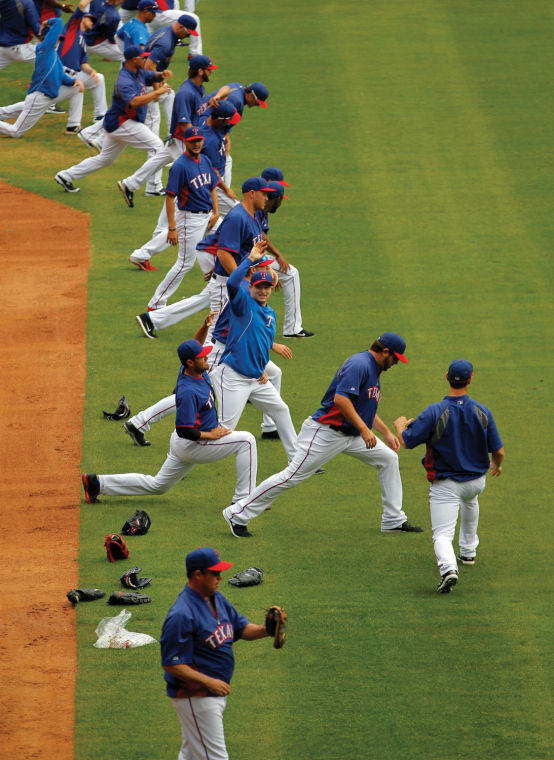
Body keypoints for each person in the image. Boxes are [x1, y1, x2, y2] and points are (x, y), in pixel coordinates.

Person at [222, 332, 424, 538]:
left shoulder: (373, 367)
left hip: (350, 435)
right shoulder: (360, 365)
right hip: (325, 433)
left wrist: (387, 433)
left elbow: (365, 408)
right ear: (385, 352)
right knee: (291, 476)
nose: (395, 363)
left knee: (388, 459)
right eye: (395, 359)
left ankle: (393, 519)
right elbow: (341, 400)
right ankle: (237, 513)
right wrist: (364, 430)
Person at [81, 335, 258, 505]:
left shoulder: (197, 371)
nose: (206, 357)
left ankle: (97, 483)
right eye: (202, 356)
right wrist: (211, 435)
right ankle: (244, 501)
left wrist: (205, 326)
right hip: (194, 443)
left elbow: (194, 343)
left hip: (182, 444)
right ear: (190, 362)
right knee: (247, 441)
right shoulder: (188, 391)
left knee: (158, 485)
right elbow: (184, 430)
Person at [393, 359, 504, 594]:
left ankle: (448, 569)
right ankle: (468, 552)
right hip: (476, 482)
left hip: (446, 485)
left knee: (442, 534)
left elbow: (407, 441)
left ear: (446, 377)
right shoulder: (482, 410)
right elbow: (499, 451)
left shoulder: (435, 411)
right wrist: (496, 464)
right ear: (470, 379)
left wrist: (401, 425)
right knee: (470, 501)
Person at [160, 547, 271, 760]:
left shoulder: (216, 598)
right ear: (197, 575)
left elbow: (241, 628)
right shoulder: (181, 614)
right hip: (196, 696)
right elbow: (171, 663)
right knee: (216, 757)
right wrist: (209, 682)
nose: (221, 577)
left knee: (191, 755)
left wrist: (266, 630)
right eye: (214, 573)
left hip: (210, 693)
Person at [210, 242, 298, 463]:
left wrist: (261, 368)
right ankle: (186, 452)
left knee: (281, 409)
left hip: (255, 377)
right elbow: (232, 281)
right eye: (259, 286)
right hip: (233, 376)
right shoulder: (243, 303)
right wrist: (249, 259)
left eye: (267, 287)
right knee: (224, 431)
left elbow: (259, 343)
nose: (263, 290)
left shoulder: (270, 314)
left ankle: (297, 461)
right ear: (250, 287)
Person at [127, 97, 235, 271]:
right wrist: (226, 190)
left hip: (199, 193)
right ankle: (141, 254)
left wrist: (212, 102)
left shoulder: (207, 120)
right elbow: (211, 173)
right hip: (195, 191)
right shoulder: (209, 141)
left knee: (216, 227)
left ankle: (142, 254)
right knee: (179, 230)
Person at [53, 44, 172, 194]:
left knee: (105, 159)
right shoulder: (124, 80)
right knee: (157, 146)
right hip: (122, 123)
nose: (146, 59)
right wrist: (157, 93)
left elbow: (151, 76)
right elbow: (135, 102)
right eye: (143, 58)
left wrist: (162, 75)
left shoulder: (138, 72)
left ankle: (65, 175)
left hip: (119, 122)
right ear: (134, 60)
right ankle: (136, 185)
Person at [131, 126, 219, 312]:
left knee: (228, 232)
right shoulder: (180, 166)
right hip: (190, 217)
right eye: (192, 141)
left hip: (208, 215)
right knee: (185, 263)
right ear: (186, 142)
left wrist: (217, 212)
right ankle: (156, 303)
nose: (196, 144)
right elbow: (170, 197)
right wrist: (172, 228)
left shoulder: (206, 160)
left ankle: (220, 282)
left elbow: (212, 187)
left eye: (199, 140)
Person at [118, 52, 218, 207]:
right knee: (192, 174)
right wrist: (199, 143)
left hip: (180, 139)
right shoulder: (186, 92)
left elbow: (198, 112)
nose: (211, 71)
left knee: (158, 161)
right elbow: (185, 124)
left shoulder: (199, 88)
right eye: (209, 69)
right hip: (183, 140)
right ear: (200, 71)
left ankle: (129, 184)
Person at [0, 17, 85, 138]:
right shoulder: (45, 49)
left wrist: (74, 81)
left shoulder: (54, 55)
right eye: (57, 38)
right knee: (15, 132)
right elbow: (59, 22)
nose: (59, 41)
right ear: (47, 38)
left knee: (76, 88)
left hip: (46, 97)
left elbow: (61, 76)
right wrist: (47, 23)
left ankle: (73, 125)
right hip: (38, 97)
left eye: (60, 39)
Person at [258, 176, 314, 339]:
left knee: (212, 296)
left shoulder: (262, 211)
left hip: (252, 255)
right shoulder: (258, 210)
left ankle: (292, 328)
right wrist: (275, 257)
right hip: (246, 258)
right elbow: (259, 237)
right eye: (281, 200)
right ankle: (292, 328)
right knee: (291, 273)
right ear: (275, 199)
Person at [56, 0, 106, 134]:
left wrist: (91, 71)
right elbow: (82, 5)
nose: (92, 22)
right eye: (90, 19)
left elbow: (83, 63)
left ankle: (99, 117)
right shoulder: (72, 29)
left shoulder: (83, 40)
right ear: (82, 18)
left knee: (97, 79)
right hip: (59, 75)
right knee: (34, 105)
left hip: (74, 76)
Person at [0, 0, 41, 71]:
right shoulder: (27, 2)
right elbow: (36, 28)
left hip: (3, 48)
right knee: (51, 59)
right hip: (20, 48)